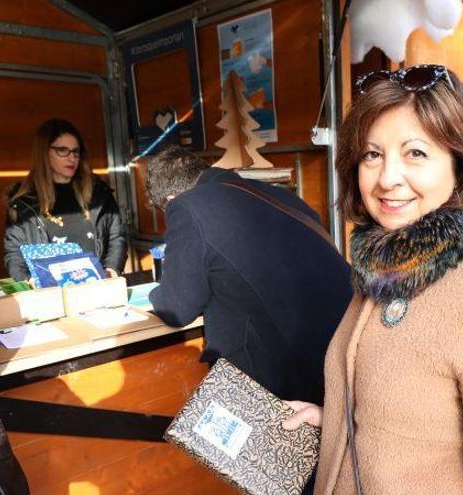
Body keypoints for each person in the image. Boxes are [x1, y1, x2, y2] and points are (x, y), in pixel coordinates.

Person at [283, 65, 463, 494]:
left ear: (459, 164)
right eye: (371, 154)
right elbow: (414, 416)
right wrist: (340, 419)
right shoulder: (386, 266)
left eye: (415, 153)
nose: (386, 179)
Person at [145, 146, 353, 406]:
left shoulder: (187, 206)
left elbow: (176, 308)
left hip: (278, 378)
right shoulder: (282, 197)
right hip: (342, 356)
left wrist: (151, 294)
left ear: (171, 199)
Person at [5, 118, 126, 281]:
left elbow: (116, 237)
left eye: (75, 151)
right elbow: (14, 253)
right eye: (62, 150)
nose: (72, 158)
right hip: (49, 296)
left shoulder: (99, 194)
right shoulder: (24, 203)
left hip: (97, 289)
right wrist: (29, 281)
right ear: (44, 153)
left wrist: (111, 270)